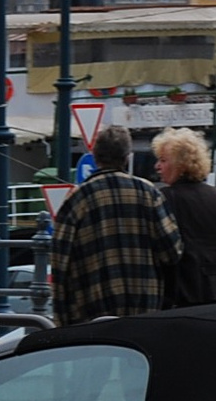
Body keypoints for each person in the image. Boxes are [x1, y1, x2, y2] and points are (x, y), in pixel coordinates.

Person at [51, 125, 183, 324]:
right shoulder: (149, 193)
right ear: (127, 157)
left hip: (92, 311)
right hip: (144, 309)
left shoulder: (77, 199)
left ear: (95, 157)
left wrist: (61, 321)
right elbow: (172, 252)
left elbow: (60, 264)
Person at [151, 126, 216, 307]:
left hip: (185, 290)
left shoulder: (166, 197)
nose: (157, 167)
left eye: (163, 160)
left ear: (180, 164)